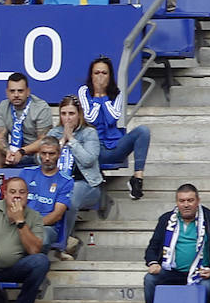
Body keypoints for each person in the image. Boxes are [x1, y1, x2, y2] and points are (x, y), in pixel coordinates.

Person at [142, 183, 210, 303]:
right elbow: (152, 247)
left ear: (198, 201)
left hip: (200, 273)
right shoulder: (166, 220)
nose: (186, 205)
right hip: (171, 271)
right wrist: (153, 263)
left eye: (190, 200)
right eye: (182, 201)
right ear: (177, 202)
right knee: (150, 279)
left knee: (208, 286)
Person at [78, 56, 151, 199]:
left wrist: (102, 96)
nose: (100, 77)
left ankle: (137, 179)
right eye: (96, 73)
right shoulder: (84, 91)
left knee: (143, 131)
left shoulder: (117, 93)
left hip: (114, 147)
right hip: (92, 150)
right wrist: (97, 95)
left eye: (104, 73)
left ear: (110, 76)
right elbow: (89, 118)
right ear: (91, 75)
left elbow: (113, 118)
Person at [53, 95, 103, 240]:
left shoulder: (89, 133)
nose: (67, 118)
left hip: (86, 184)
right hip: (58, 183)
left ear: (79, 114)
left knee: (70, 198)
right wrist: (62, 141)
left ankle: (62, 242)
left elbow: (88, 160)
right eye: (63, 114)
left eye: (71, 113)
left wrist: (72, 140)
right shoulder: (54, 133)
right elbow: (41, 160)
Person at [20, 138, 74, 254]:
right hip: (21, 221)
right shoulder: (26, 173)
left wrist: (31, 225)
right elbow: (14, 201)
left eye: (51, 154)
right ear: (39, 153)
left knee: (41, 239)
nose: (47, 158)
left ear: (59, 155)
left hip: (47, 226)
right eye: (44, 153)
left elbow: (57, 215)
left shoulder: (66, 181)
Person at [0, 72, 52, 171]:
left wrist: (22, 152)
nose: (16, 95)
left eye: (20, 91)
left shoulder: (41, 107)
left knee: (44, 156)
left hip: (36, 152)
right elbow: (1, 136)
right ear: (7, 92)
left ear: (28, 92)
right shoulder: (3, 106)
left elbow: (44, 141)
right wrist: (7, 152)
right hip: (14, 151)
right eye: (12, 91)